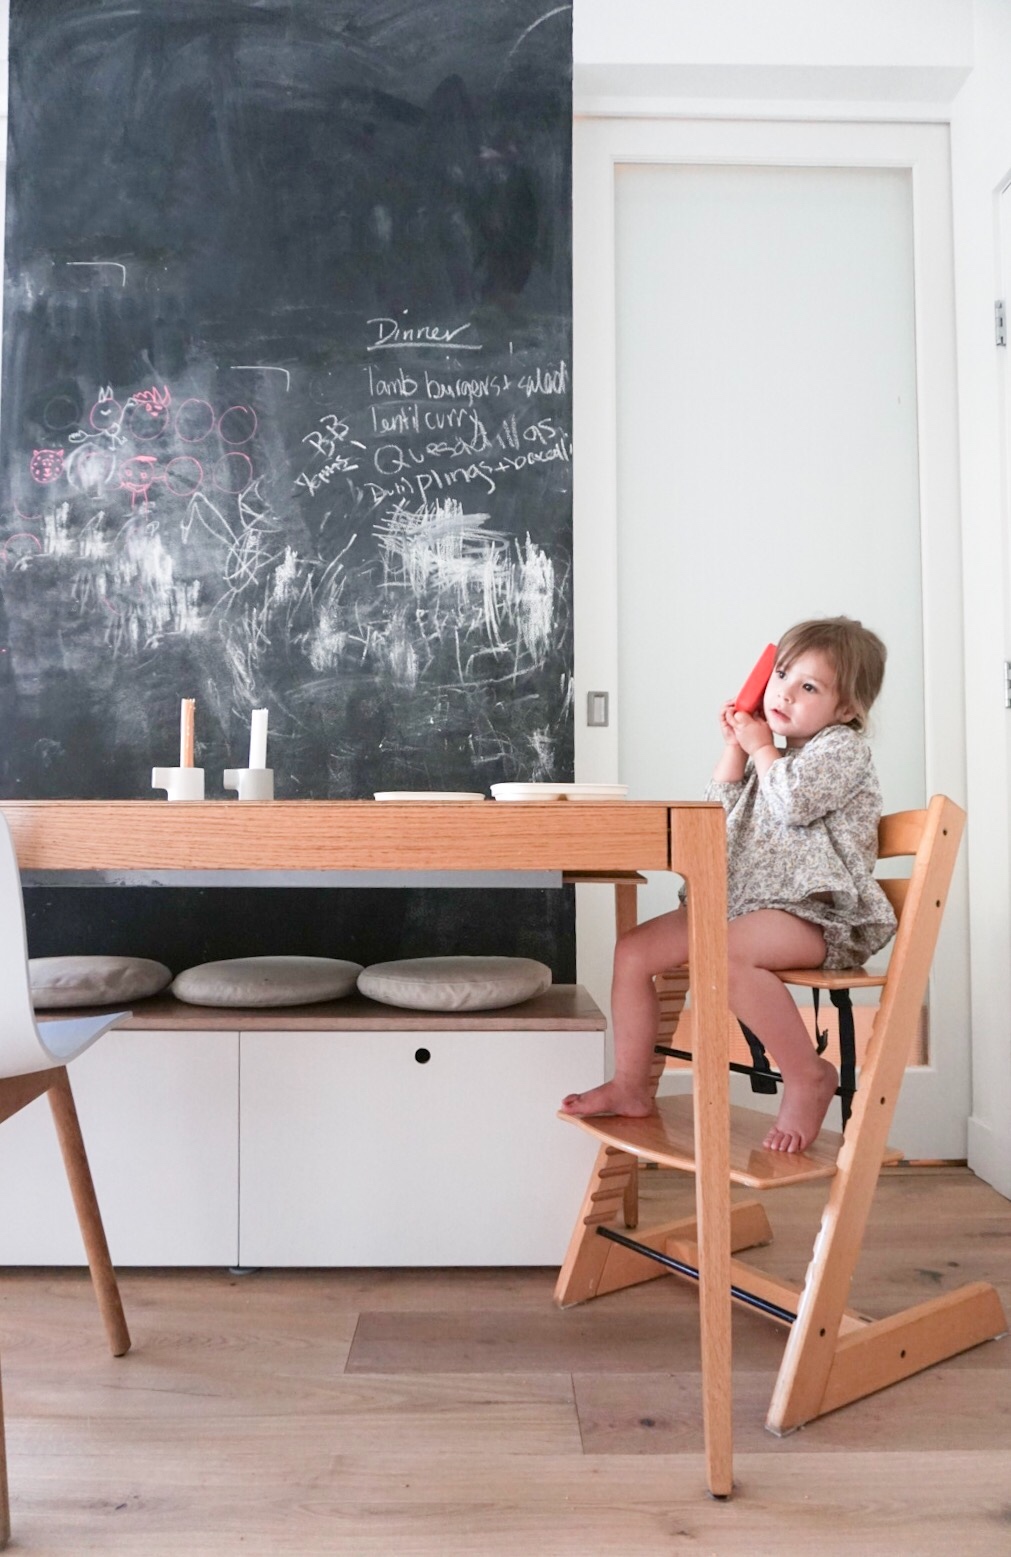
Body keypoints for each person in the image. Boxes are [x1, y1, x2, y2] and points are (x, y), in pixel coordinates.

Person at [562, 616, 897, 1153]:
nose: (783, 692)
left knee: (722, 953)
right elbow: (713, 820)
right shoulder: (775, 759)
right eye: (781, 674)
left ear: (847, 710)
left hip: (815, 917)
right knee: (633, 951)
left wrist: (761, 747)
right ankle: (630, 1085)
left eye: (808, 687)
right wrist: (737, 749)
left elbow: (792, 802)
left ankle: (807, 1074)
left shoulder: (840, 751)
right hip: (745, 907)